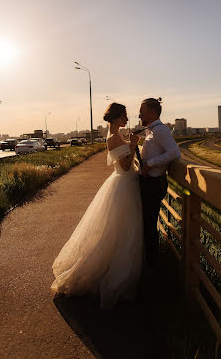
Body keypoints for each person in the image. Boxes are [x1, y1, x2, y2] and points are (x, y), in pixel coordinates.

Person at [51, 103, 144, 309]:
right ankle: (112, 277)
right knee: (119, 233)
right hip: (123, 187)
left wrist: (129, 143)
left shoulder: (118, 135)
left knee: (123, 233)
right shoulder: (112, 138)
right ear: (115, 117)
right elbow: (126, 165)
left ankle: (123, 274)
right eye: (123, 116)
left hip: (127, 185)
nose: (126, 120)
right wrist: (132, 144)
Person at [138, 98, 181, 269]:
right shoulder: (152, 130)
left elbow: (174, 153)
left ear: (153, 112)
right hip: (150, 182)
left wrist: (150, 164)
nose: (139, 113)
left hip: (154, 184)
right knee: (148, 223)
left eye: (142, 110)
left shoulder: (160, 130)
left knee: (149, 224)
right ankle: (150, 259)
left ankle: (152, 264)